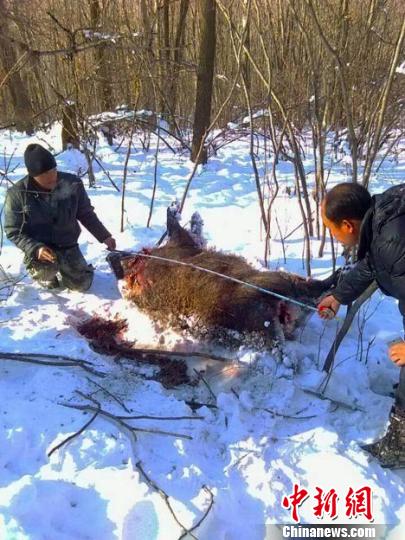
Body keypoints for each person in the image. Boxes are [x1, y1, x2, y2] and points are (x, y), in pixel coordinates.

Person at [318, 182, 405, 468]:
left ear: (348, 225)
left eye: (332, 230)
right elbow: (372, 263)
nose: (334, 236)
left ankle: (401, 446)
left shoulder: (393, 242)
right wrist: (338, 296)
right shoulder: (383, 217)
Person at [4, 143, 116, 291]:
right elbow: (13, 230)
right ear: (33, 175)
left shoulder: (73, 184)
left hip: (67, 244)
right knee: (46, 275)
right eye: (44, 174)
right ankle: (44, 274)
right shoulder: (17, 194)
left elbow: (86, 214)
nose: (51, 177)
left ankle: (73, 270)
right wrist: (35, 248)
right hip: (40, 248)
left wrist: (104, 236)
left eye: (53, 170)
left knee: (81, 285)